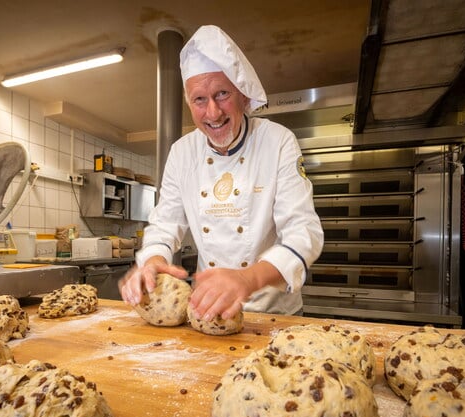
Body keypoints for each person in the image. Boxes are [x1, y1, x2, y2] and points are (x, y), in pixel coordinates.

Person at [120, 24, 323, 321]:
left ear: (242, 94)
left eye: (222, 94)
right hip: (209, 310)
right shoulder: (182, 152)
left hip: (275, 314)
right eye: (199, 100)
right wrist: (152, 260)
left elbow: (303, 234)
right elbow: (165, 225)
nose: (212, 113)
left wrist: (248, 279)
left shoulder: (278, 142)